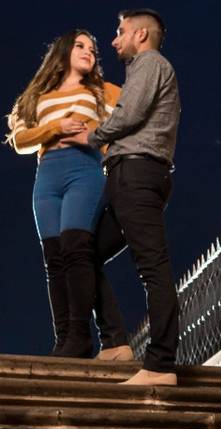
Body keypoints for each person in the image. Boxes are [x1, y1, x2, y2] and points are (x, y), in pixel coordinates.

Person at [6, 30, 128, 359]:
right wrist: (55, 127)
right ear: (62, 51)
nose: (89, 51)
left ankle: (80, 336)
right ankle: (64, 340)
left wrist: (97, 137)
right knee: (54, 259)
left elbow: (136, 113)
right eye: (80, 45)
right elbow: (21, 141)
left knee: (76, 249)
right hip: (46, 176)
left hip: (84, 171)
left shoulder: (103, 91)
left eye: (92, 48)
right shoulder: (33, 97)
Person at [76, 9, 181, 386]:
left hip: (138, 173)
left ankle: (161, 364)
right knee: (85, 253)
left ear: (141, 35)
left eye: (120, 32)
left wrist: (87, 135)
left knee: (153, 266)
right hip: (126, 177)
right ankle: (117, 342)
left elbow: (130, 114)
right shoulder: (146, 67)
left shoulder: (150, 63)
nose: (115, 40)